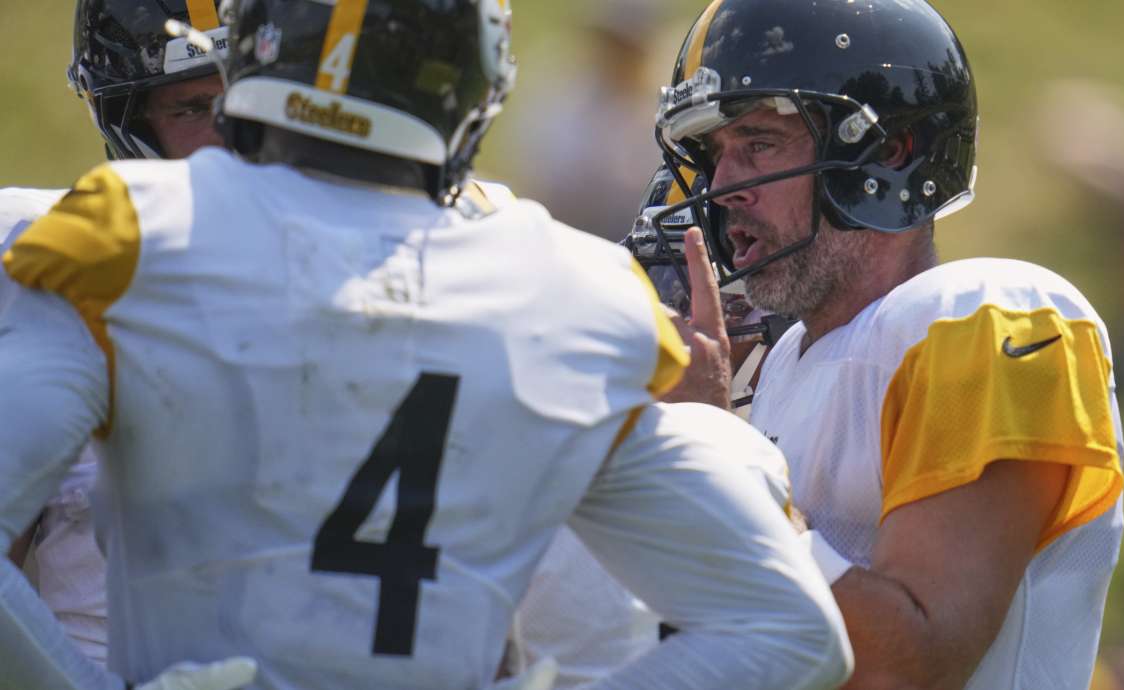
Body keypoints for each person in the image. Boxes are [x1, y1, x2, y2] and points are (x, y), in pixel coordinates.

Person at [0, 2, 853, 690]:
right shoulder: (572, 288)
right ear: (475, 90)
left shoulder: (128, 236)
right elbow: (790, 632)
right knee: (724, 449)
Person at [652, 1, 1124, 688]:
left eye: (759, 143)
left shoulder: (989, 316)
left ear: (888, 152)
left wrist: (709, 454)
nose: (723, 187)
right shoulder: (785, 365)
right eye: (714, 154)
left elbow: (910, 663)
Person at [2, 0, 229, 667]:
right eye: (193, 108)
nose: (234, 140)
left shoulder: (417, 267)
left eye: (255, 100)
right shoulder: (44, 262)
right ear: (128, 117)